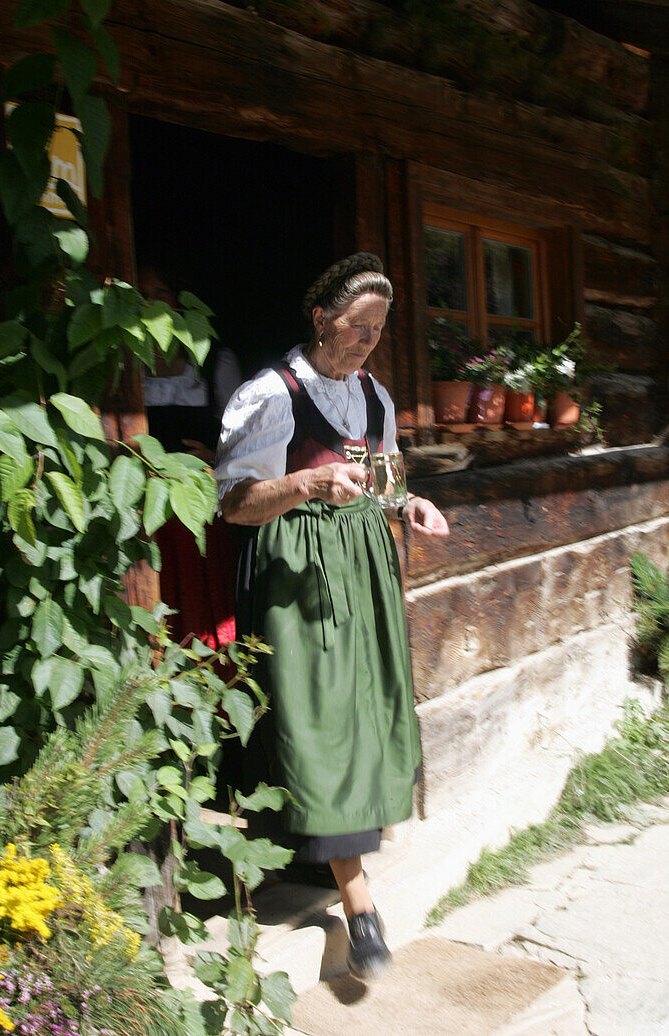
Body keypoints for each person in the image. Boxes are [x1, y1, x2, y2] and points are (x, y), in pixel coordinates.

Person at [215, 253, 449, 980]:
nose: (365, 342)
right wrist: (307, 480)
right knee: (315, 716)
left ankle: (324, 862)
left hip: (362, 571)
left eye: (377, 332)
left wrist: (405, 505)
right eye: (355, 327)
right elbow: (233, 504)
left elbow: (384, 480)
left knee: (363, 709)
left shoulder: (374, 397)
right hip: (295, 569)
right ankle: (358, 901)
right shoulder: (272, 394)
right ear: (320, 319)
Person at [140, 264, 242, 649]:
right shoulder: (127, 361)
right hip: (146, 504)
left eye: (159, 293)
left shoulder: (214, 360)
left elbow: (245, 436)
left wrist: (217, 457)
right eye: (142, 295)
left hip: (196, 499)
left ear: (179, 302)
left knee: (204, 589)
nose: (150, 303)